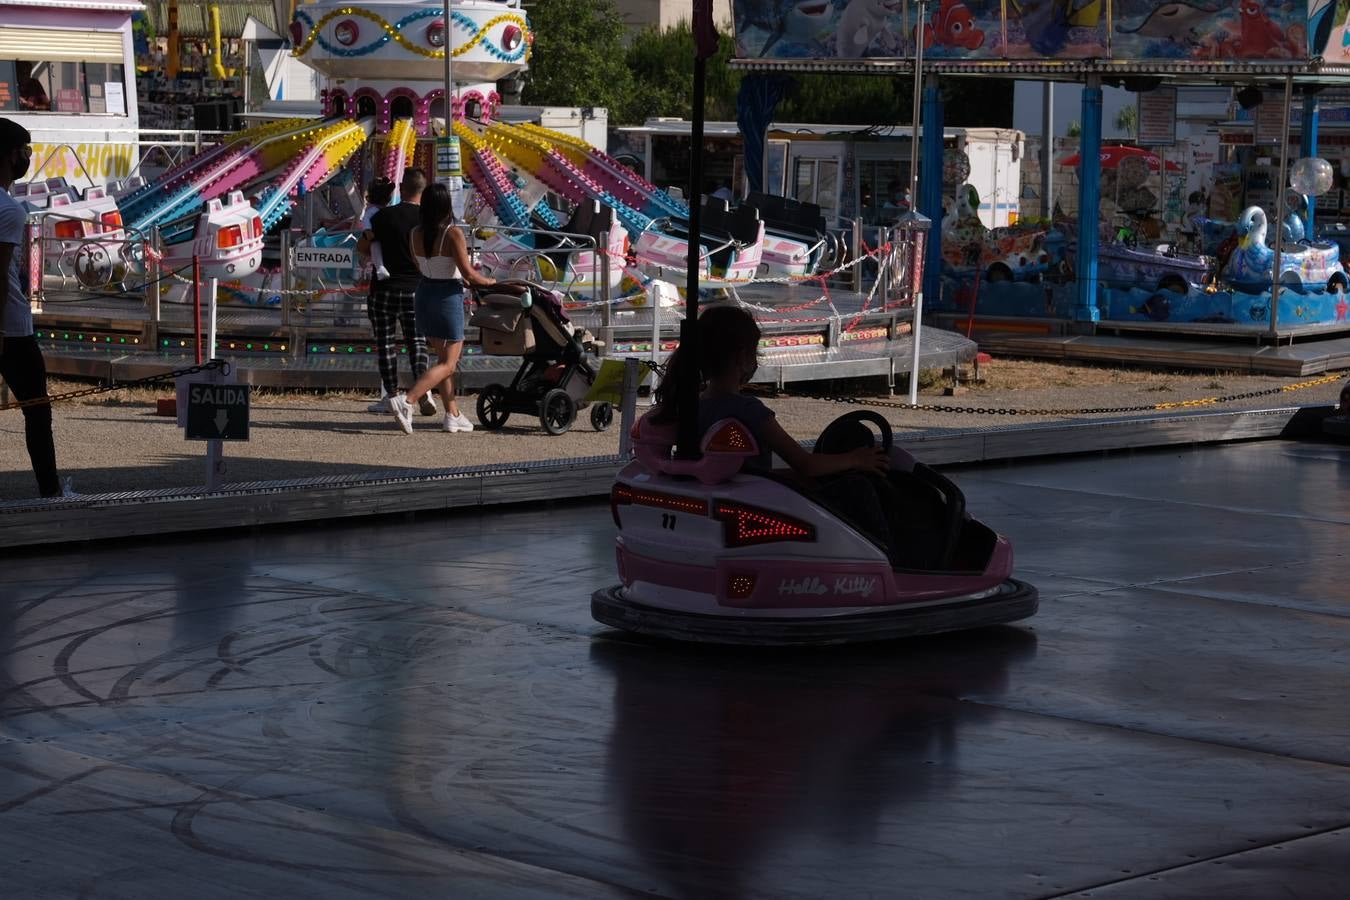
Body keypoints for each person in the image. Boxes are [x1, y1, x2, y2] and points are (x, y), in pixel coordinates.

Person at [650, 305, 897, 553]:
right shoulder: (749, 411)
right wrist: (856, 459)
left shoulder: (691, 407)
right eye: (755, 353)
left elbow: (748, 474)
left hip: (739, 501)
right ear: (741, 357)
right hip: (762, 511)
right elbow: (807, 464)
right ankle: (890, 556)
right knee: (859, 487)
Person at [388, 183, 502, 434]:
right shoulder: (452, 233)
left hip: (424, 294)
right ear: (445, 206)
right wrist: (493, 282)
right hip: (446, 296)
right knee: (450, 364)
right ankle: (408, 401)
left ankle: (453, 414)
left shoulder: (415, 232)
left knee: (442, 360)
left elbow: (419, 267)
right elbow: (469, 275)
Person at [0, 118, 62, 498]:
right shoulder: (9, 211)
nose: (28, 157)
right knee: (37, 412)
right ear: (9, 156)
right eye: (26, 150)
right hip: (12, 330)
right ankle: (50, 492)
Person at [357, 169, 436, 417]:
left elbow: (363, 245)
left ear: (402, 188)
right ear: (424, 191)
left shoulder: (383, 217)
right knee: (417, 342)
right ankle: (422, 390)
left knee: (386, 344)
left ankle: (391, 396)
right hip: (417, 289)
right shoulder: (429, 220)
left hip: (383, 290)